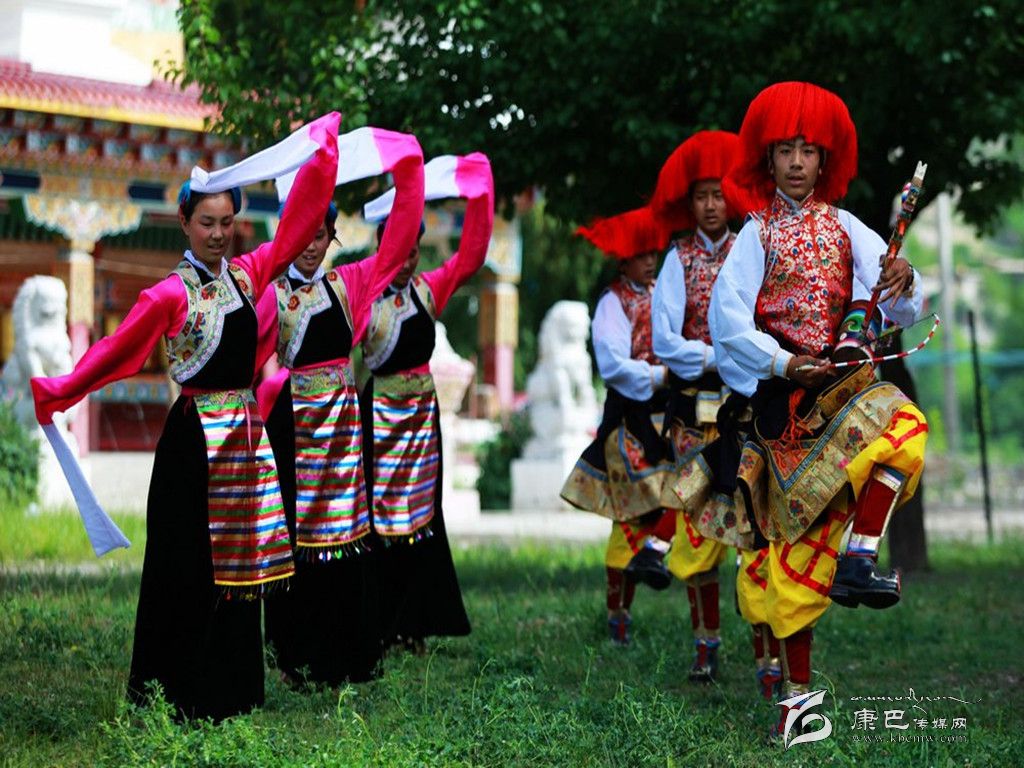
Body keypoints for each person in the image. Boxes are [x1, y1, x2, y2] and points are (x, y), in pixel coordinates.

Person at [30, 113, 340, 721]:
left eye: (227, 223)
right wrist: (62, 390)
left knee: (242, 563)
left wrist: (321, 156)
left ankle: (234, 692)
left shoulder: (250, 276)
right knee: (187, 568)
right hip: (195, 442)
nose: (218, 234)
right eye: (207, 223)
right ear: (184, 223)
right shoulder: (170, 294)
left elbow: (301, 222)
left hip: (246, 440)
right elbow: (115, 353)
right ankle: (176, 694)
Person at [709, 81, 928, 736]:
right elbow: (726, 323)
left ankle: (860, 556)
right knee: (793, 553)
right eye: (787, 151)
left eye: (809, 151)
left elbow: (894, 302)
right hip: (786, 403)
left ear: (824, 160)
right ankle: (797, 703)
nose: (798, 162)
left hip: (846, 387)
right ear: (769, 160)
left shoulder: (849, 227)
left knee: (905, 428)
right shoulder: (755, 234)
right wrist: (783, 363)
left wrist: (904, 280)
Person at [257, 128, 425, 685]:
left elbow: (401, 236)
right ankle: (294, 657)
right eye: (302, 232)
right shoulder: (270, 294)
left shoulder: (351, 283)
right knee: (294, 539)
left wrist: (407, 167)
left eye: (320, 233)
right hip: (294, 427)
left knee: (351, 537)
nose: (310, 244)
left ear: (332, 237)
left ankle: (350, 655)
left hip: (345, 429)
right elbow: (241, 360)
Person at [359, 153, 494, 651]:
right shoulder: (361, 293)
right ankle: (379, 621)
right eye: (400, 249)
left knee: (421, 520)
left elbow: (471, 256)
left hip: (421, 418)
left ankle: (413, 623)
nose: (408, 259)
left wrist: (480, 194)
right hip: (378, 416)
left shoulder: (428, 290)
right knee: (377, 517)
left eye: (415, 250)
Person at [626, 130, 748, 681]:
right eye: (701, 196)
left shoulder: (752, 246)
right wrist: (723, 355)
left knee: (752, 522)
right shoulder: (677, 258)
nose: (711, 205)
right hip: (696, 407)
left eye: (718, 194)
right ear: (689, 203)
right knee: (699, 527)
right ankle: (706, 645)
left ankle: (769, 652)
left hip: (748, 406)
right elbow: (665, 341)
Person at [560, 206, 675, 646]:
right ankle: (617, 617)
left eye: (653, 253)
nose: (650, 261)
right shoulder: (612, 302)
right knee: (629, 516)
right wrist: (662, 375)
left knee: (679, 499)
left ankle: (651, 567)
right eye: (641, 254)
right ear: (623, 260)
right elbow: (613, 366)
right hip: (629, 422)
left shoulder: (664, 294)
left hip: (667, 419)